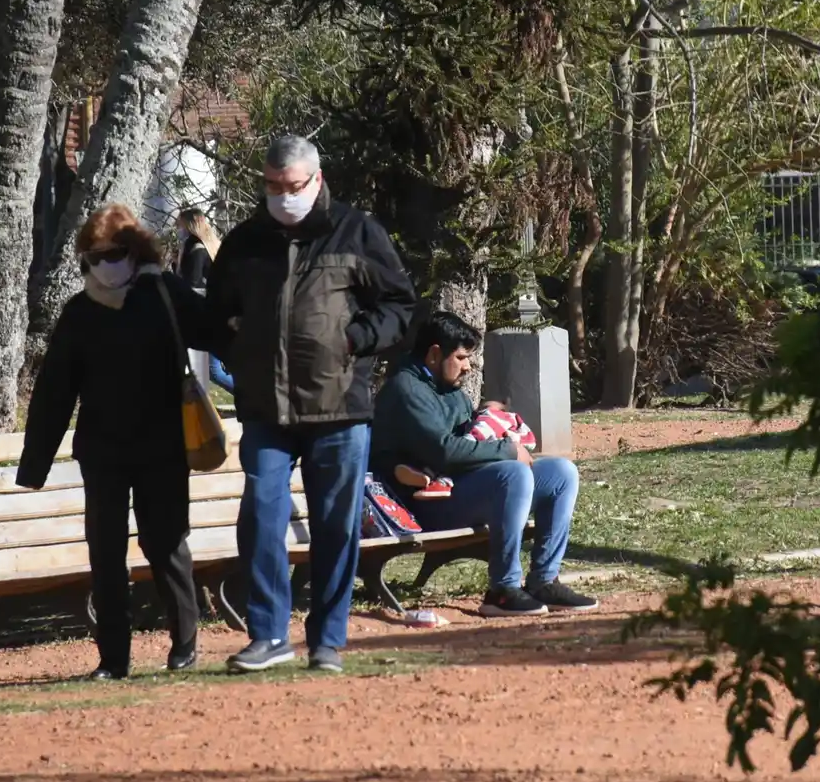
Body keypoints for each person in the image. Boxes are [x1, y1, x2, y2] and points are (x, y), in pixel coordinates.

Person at [207, 135, 416, 674]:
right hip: (265, 410)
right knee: (260, 515)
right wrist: (240, 343)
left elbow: (398, 306)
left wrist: (354, 339)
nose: (282, 196)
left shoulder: (357, 231)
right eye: (272, 187)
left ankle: (327, 639)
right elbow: (216, 314)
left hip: (339, 409)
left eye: (292, 186)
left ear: (316, 179)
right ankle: (268, 635)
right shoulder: (245, 242)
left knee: (335, 528)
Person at [18, 204, 215, 680]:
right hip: (103, 452)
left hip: (164, 447)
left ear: (136, 251)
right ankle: (114, 658)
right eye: (97, 254)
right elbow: (54, 392)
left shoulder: (167, 293)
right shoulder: (80, 312)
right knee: (105, 554)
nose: (107, 261)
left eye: (117, 252)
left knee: (166, 544)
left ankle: (185, 641)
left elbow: (218, 331)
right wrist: (35, 465)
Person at [370, 311, 598, 617]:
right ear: (435, 354)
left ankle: (544, 580)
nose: (468, 366)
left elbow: (468, 441)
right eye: (462, 357)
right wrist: (506, 450)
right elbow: (446, 452)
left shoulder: (447, 388)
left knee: (561, 473)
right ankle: (502, 590)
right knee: (513, 473)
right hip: (421, 506)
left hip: (458, 488)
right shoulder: (407, 390)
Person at [173, 208, 234, 393]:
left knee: (212, 370)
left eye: (179, 225)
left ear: (189, 225)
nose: (177, 229)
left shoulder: (195, 247)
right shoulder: (206, 245)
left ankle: (249, 396)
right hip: (212, 312)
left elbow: (193, 282)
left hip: (203, 315)